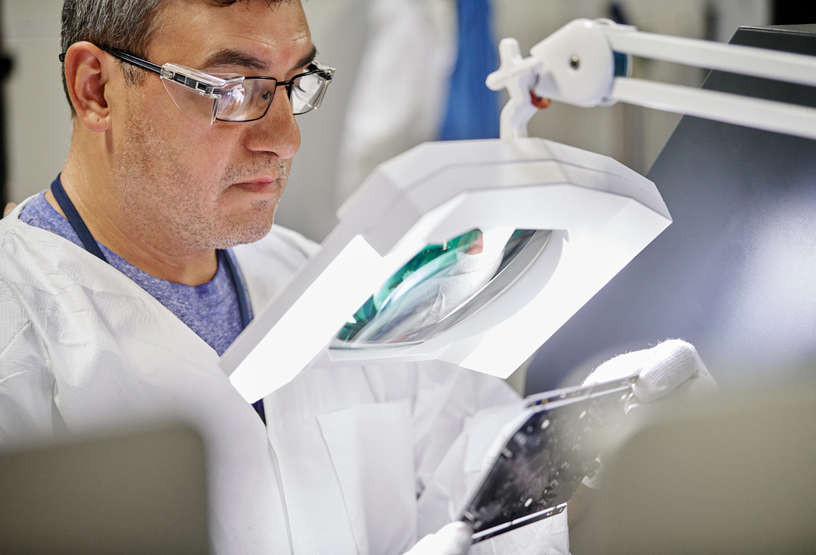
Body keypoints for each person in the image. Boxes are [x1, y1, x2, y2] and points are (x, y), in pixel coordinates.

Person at [0, 1, 716, 554]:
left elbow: (467, 465)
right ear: (95, 87)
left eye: (293, 82)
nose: (285, 136)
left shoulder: (321, 278)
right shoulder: (19, 339)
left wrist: (585, 451)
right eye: (236, 87)